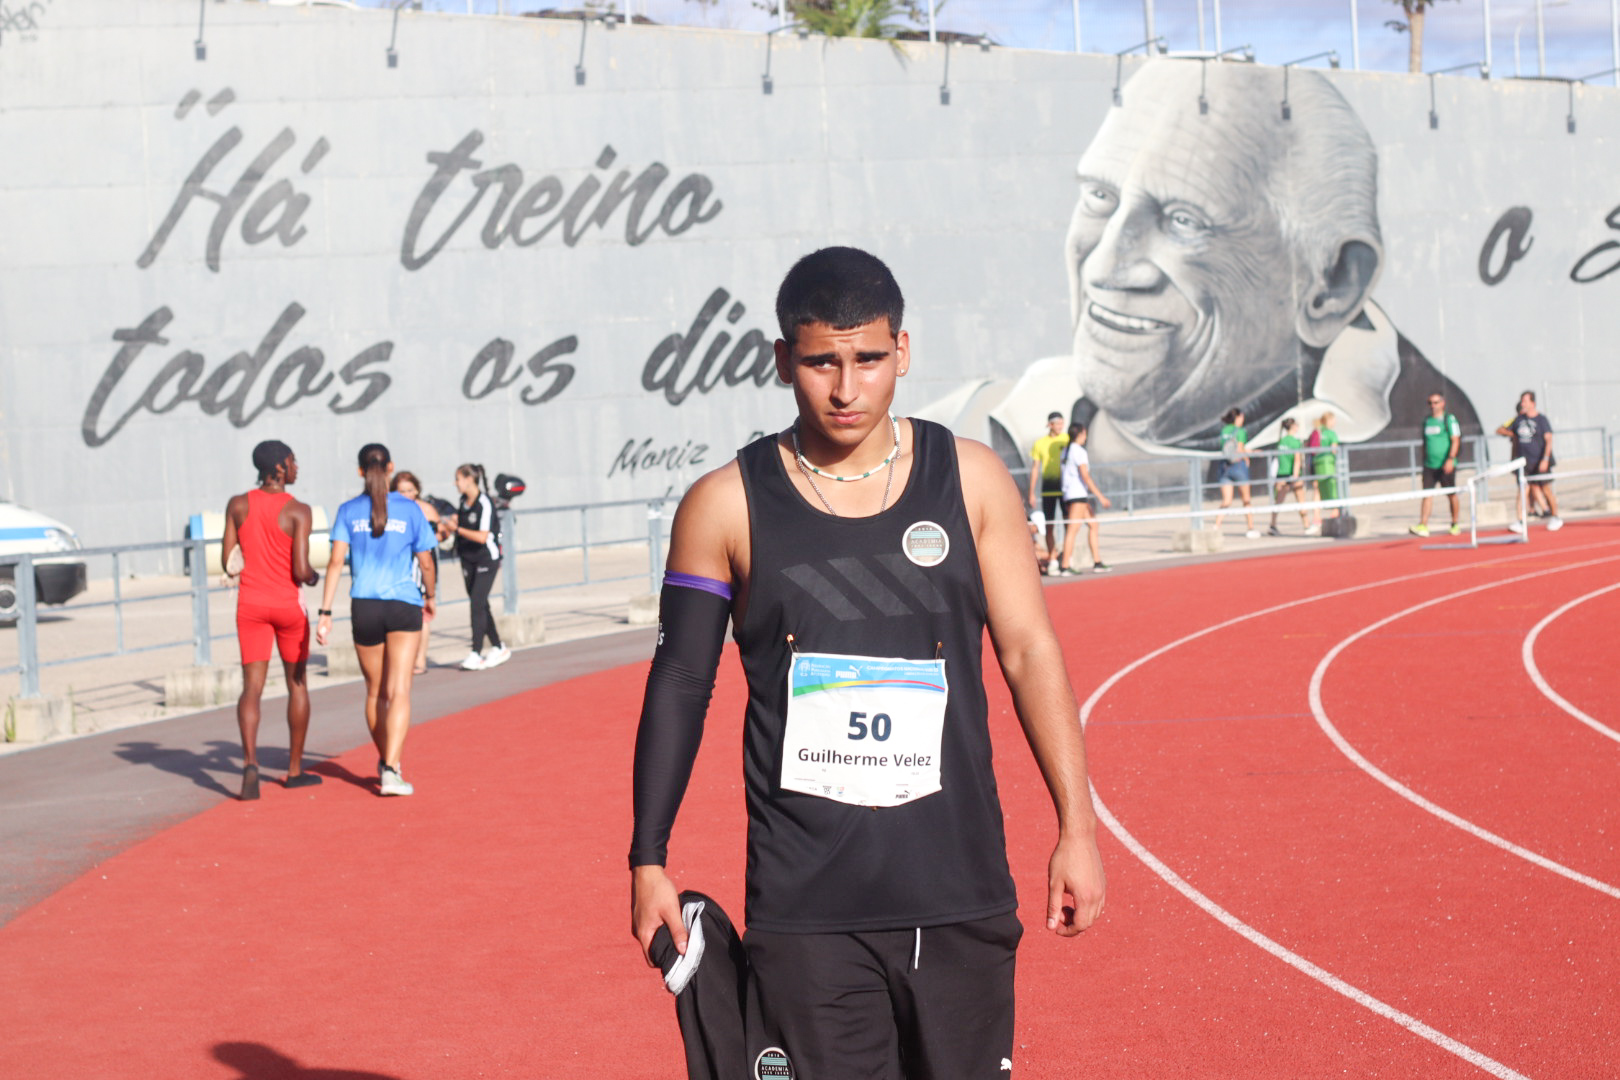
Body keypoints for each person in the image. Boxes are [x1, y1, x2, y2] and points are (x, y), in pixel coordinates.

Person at [629, 247, 1106, 1079]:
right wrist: (648, 857)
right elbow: (680, 681)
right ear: (784, 360)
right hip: (808, 907)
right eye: (820, 362)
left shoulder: (972, 480)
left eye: (869, 360)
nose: (847, 389)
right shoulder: (725, 504)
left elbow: (1030, 652)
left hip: (959, 892)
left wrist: (1078, 827)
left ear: (904, 352)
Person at [917, 59, 1479, 469]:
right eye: (1100, 198)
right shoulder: (964, 426)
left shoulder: (1412, 426)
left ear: (1331, 284)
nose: (1104, 268)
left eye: (1184, 220)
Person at [315, 443, 437, 797]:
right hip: (402, 604)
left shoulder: (348, 510)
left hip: (364, 605)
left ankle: (387, 760)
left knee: (374, 691)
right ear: (391, 468)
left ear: (359, 471)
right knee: (399, 691)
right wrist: (429, 596)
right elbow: (426, 562)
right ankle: (391, 768)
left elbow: (336, 563)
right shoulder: (411, 509)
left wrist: (324, 614)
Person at [220, 440, 321, 800]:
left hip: (250, 605)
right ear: (278, 467)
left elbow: (227, 559)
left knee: (252, 687)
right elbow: (300, 568)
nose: (297, 467)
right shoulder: (299, 511)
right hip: (287, 607)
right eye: (293, 461)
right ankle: (294, 770)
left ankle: (250, 763)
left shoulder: (238, 504)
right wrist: (314, 577)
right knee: (297, 685)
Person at [445, 464, 511, 671]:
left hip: (486, 558)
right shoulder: (463, 502)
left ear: (469, 479)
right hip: (468, 558)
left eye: (458, 478)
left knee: (476, 604)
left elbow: (482, 536)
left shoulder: (484, 502)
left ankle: (476, 652)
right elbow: (463, 527)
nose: (455, 483)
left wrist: (457, 528)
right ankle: (499, 647)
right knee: (481, 604)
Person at [390, 471, 442, 674]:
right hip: (399, 564)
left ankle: (420, 659)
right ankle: (405, 658)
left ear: (417, 490)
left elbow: (437, 537)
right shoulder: (390, 509)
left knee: (421, 613)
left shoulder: (425, 509)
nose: (406, 494)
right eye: (401, 491)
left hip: (420, 563)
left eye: (410, 490)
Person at [1056, 422, 1113, 574]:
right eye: (1084, 434)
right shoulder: (1078, 451)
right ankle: (1065, 566)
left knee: (1093, 525)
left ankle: (1097, 561)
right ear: (1080, 434)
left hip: (1072, 495)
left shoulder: (1066, 451)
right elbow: (1085, 476)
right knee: (1072, 530)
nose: (1085, 437)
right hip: (1077, 495)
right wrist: (1100, 497)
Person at [1503, 390, 1563, 533]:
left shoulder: (1541, 419)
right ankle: (1520, 520)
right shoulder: (1518, 419)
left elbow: (1549, 440)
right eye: (1522, 401)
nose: (1522, 403)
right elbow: (1501, 429)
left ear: (1532, 403)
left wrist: (1545, 459)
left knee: (1545, 489)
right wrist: (1513, 435)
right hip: (1524, 462)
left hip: (1539, 460)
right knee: (1522, 491)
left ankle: (1555, 516)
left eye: (1525, 401)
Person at [1411, 393, 1463, 537]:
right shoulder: (1427, 421)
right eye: (1430, 403)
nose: (1433, 406)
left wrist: (1450, 459)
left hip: (1446, 464)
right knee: (1427, 494)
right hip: (1429, 465)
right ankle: (1423, 524)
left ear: (1442, 403)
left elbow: (1455, 440)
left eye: (1436, 402)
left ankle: (1455, 523)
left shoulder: (1449, 420)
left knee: (1451, 494)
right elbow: (1424, 443)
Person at [1025, 412, 1069, 574]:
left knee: (1068, 524)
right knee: (1049, 525)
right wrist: (1031, 492)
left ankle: (1066, 557)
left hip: (1065, 489)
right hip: (1049, 489)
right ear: (1050, 424)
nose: (1060, 427)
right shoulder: (1040, 443)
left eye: (1062, 424)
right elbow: (1035, 468)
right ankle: (1052, 559)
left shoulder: (1067, 440)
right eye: (1058, 424)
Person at [1211, 408, 1260, 538]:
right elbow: (1239, 449)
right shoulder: (1240, 431)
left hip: (1224, 466)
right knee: (1246, 500)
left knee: (1226, 500)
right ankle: (1250, 528)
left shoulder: (1224, 431)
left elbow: (1226, 449)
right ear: (1238, 417)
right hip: (1238, 466)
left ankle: (1216, 526)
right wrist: (1249, 455)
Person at [1267, 417, 1316, 536]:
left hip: (1281, 474)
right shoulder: (1295, 442)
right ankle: (1306, 526)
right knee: (1301, 500)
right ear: (1293, 427)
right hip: (1292, 475)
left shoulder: (1281, 441)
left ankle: (1273, 525)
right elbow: (1297, 460)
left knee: (1278, 501)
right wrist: (1295, 476)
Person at [1308, 411, 1342, 519]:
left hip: (1317, 463)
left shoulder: (1317, 431)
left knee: (1317, 489)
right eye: (1333, 420)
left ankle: (1316, 516)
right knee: (1332, 486)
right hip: (1328, 464)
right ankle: (1335, 512)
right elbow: (1334, 450)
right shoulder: (1331, 433)